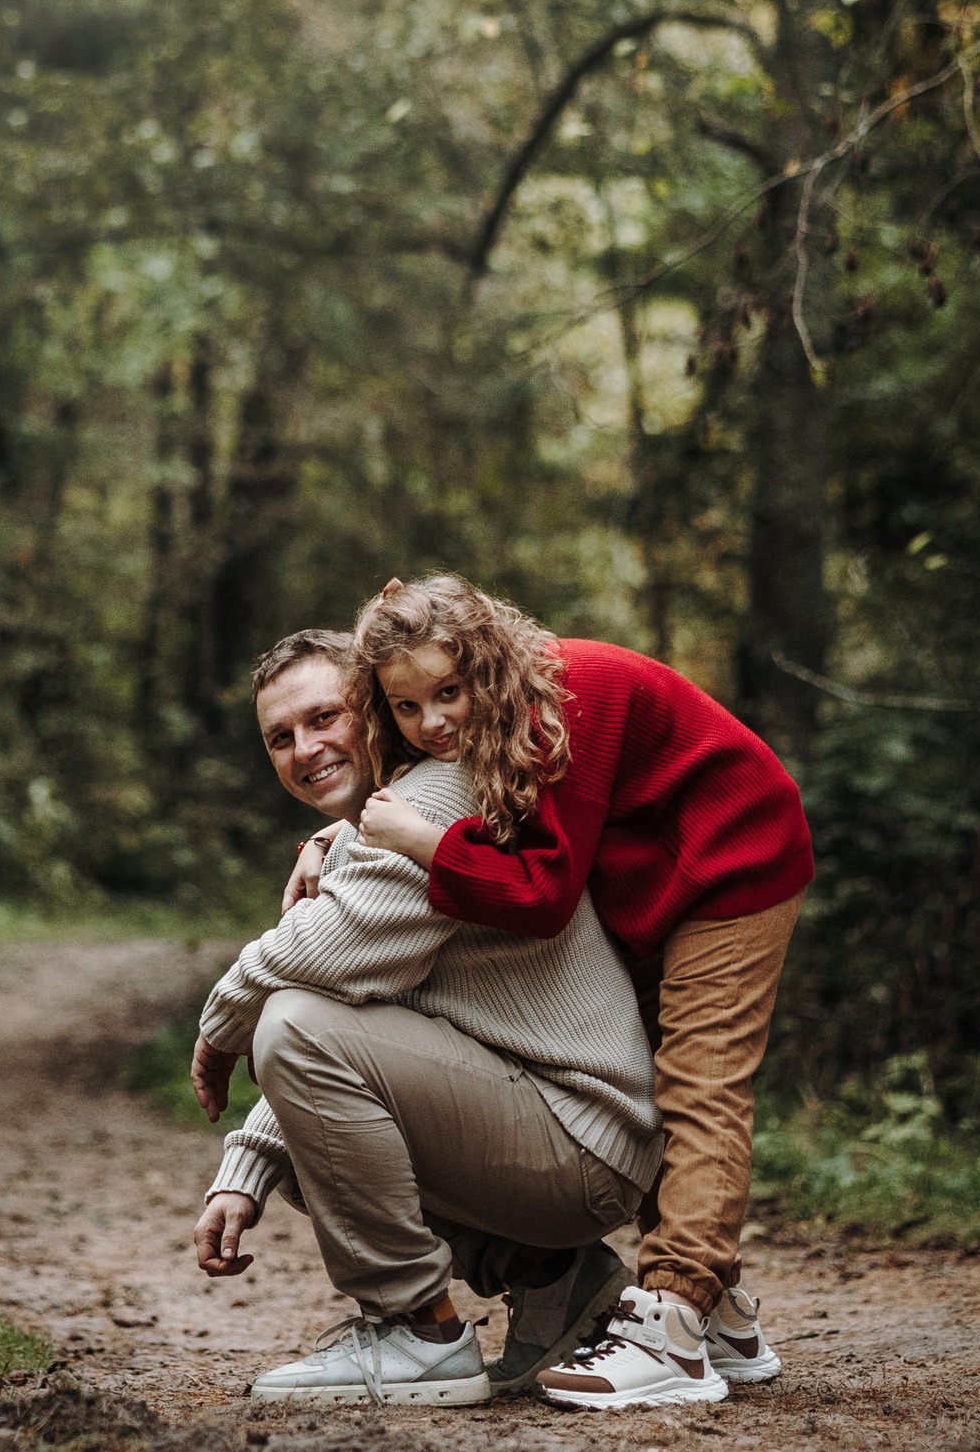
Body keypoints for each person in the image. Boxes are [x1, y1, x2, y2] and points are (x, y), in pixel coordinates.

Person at [297, 575, 811, 1408]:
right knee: (652, 1069)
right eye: (406, 706)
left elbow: (539, 898)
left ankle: (677, 1324)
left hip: (733, 854)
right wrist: (344, 830)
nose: (432, 723)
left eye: (449, 692)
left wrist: (411, 839)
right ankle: (726, 1323)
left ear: (486, 662)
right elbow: (473, 821)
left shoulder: (558, 703)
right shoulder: (491, 725)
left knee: (699, 1083)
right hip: (648, 880)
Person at [185, 633, 665, 1404]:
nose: (306, 749)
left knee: (288, 1022)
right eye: (281, 736)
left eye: (324, 717)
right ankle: (558, 1282)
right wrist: (248, 1169)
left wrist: (221, 1021)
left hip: (580, 1138)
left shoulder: (432, 801)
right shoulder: (377, 823)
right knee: (320, 1137)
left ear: (373, 710)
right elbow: (356, 1027)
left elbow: (310, 1005)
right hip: (560, 1128)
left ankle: (418, 1330)